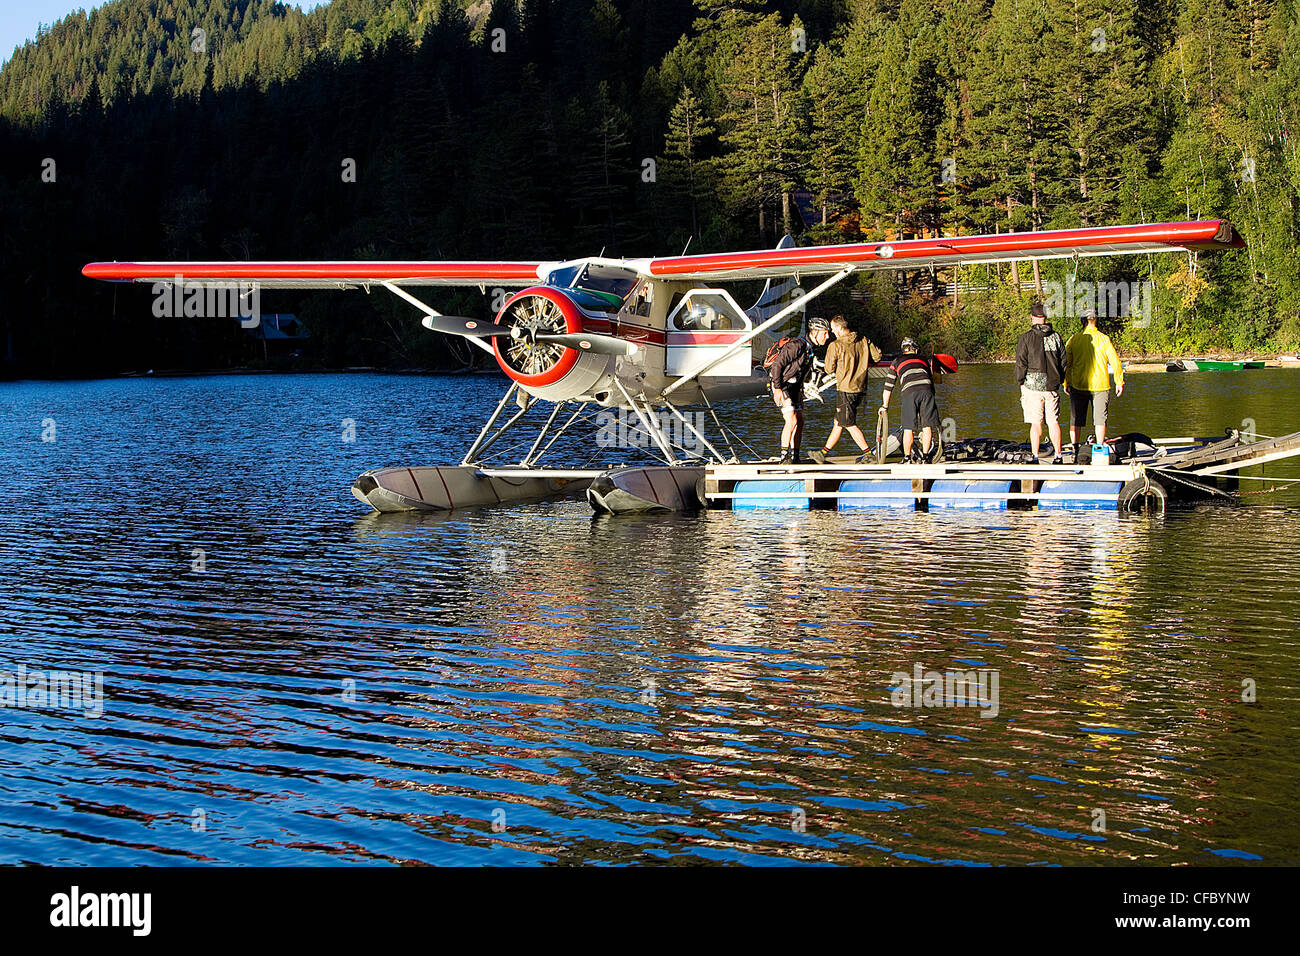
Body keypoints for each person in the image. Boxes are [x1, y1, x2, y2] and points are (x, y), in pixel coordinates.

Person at [809, 315, 881, 463]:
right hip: (860, 388)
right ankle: (822, 453)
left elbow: (829, 369)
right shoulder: (863, 340)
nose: (832, 333)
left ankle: (869, 454)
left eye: (833, 329)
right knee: (839, 421)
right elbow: (877, 356)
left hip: (845, 389)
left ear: (840, 329)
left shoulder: (835, 345)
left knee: (848, 423)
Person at [1064, 308, 1124, 446]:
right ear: (1096, 321)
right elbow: (1115, 361)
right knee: (1100, 420)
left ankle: (1075, 449)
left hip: (1079, 384)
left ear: (1083, 321)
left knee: (1076, 420)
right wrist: (1119, 382)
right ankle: (1099, 447)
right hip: (1101, 385)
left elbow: (1067, 364)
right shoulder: (1104, 339)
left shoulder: (1074, 339)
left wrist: (1066, 382)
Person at [1014, 302, 1067, 462]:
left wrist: (1020, 380)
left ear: (1033, 318)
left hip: (1032, 386)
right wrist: (1062, 380)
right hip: (1051, 385)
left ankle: (1035, 455)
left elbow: (1021, 362)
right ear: (1045, 318)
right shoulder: (1056, 337)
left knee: (1036, 423)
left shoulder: (1026, 338)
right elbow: (1063, 362)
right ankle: (1058, 454)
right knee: (1053, 421)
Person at [766, 320, 819, 464]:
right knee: (791, 419)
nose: (827, 337)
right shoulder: (797, 345)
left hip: (795, 387)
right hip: (781, 385)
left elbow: (800, 372)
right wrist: (777, 389)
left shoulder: (809, 349)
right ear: (815, 333)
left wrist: (800, 390)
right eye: (825, 333)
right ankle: (784, 456)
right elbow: (777, 365)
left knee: (800, 421)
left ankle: (795, 455)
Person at [881, 337, 940, 460]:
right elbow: (932, 381)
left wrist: (885, 406)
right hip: (927, 390)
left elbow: (888, 386)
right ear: (915, 350)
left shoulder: (896, 361)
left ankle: (907, 458)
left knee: (908, 428)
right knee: (927, 426)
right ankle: (925, 457)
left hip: (909, 392)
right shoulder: (923, 360)